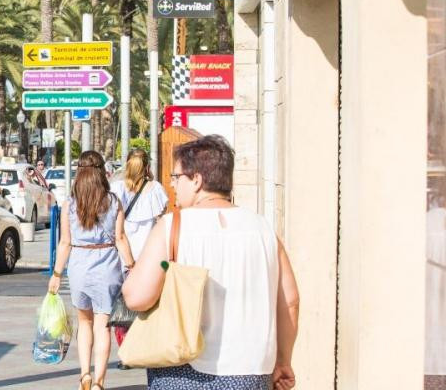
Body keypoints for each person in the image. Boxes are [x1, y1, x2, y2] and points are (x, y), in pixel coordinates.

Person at [122, 135, 300, 390]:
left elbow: (136, 297)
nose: (173, 185)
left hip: (184, 371)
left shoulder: (173, 227)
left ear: (196, 180)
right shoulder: (264, 230)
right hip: (253, 372)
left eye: (176, 177)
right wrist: (283, 360)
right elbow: (291, 302)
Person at [48, 151, 132, 390]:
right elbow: (121, 238)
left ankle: (84, 375)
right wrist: (132, 266)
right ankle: (99, 382)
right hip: (107, 265)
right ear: (102, 172)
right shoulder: (113, 201)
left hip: (79, 266)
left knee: (84, 323)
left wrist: (56, 274)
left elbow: (64, 242)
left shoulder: (70, 204)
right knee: (103, 325)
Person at [107, 148, 169, 355]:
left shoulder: (116, 189)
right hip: (148, 256)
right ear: (147, 166)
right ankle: (143, 346)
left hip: (120, 255)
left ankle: (125, 349)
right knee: (148, 303)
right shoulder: (156, 190)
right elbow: (161, 221)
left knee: (122, 304)